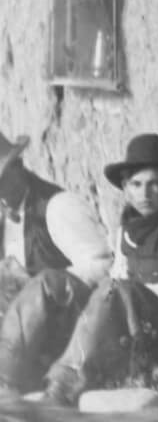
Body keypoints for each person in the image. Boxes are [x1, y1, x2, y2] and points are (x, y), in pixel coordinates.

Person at [44, 134, 158, 405]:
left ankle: (65, 386)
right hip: (139, 324)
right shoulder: (127, 229)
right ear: (125, 188)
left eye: (155, 184)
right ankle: (64, 380)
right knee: (81, 292)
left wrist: (135, 292)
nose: (145, 193)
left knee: (116, 291)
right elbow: (119, 277)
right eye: (136, 184)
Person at [0, 131, 113, 394]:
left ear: (19, 166)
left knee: (44, 284)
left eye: (2, 180)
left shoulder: (58, 207)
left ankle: (6, 386)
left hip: (74, 324)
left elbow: (103, 267)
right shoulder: (5, 218)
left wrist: (34, 285)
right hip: (29, 334)